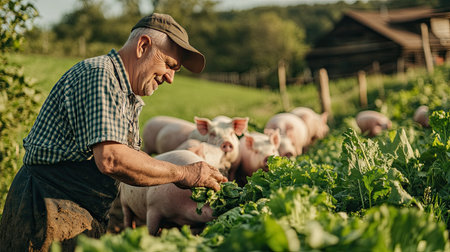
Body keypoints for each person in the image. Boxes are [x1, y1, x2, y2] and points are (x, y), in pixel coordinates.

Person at [0, 13, 227, 251]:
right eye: (169, 65)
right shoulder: (100, 75)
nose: (170, 78)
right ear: (143, 46)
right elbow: (112, 158)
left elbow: (125, 161)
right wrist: (183, 173)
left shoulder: (126, 95)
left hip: (72, 209)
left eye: (176, 70)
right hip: (45, 210)